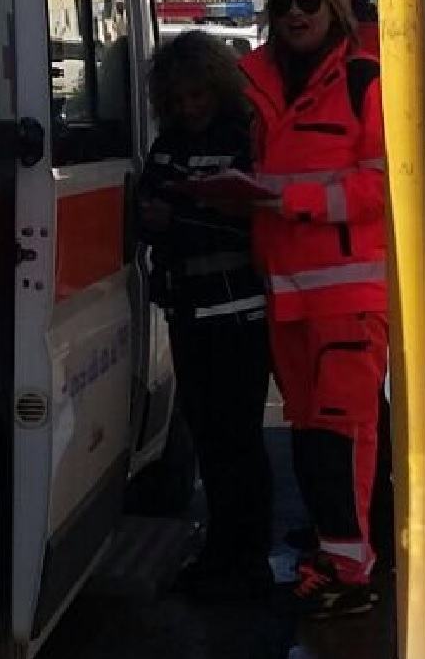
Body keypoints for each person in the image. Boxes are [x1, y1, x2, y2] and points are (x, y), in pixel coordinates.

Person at [238, 0, 389, 618]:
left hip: (348, 300)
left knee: (341, 440)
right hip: (286, 296)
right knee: (308, 437)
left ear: (332, 7)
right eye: (281, 6)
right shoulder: (256, 87)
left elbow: (388, 185)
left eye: (307, 2)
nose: (294, 15)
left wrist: (289, 200)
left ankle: (351, 575)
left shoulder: (365, 84)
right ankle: (331, 560)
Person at [138, 30, 275, 600]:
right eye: (179, 98)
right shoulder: (166, 146)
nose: (190, 107)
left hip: (239, 310)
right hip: (187, 311)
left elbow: (250, 215)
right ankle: (222, 550)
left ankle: (251, 558)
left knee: (241, 438)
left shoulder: (244, 139)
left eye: (198, 95)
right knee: (208, 441)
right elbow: (146, 211)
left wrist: (181, 211)